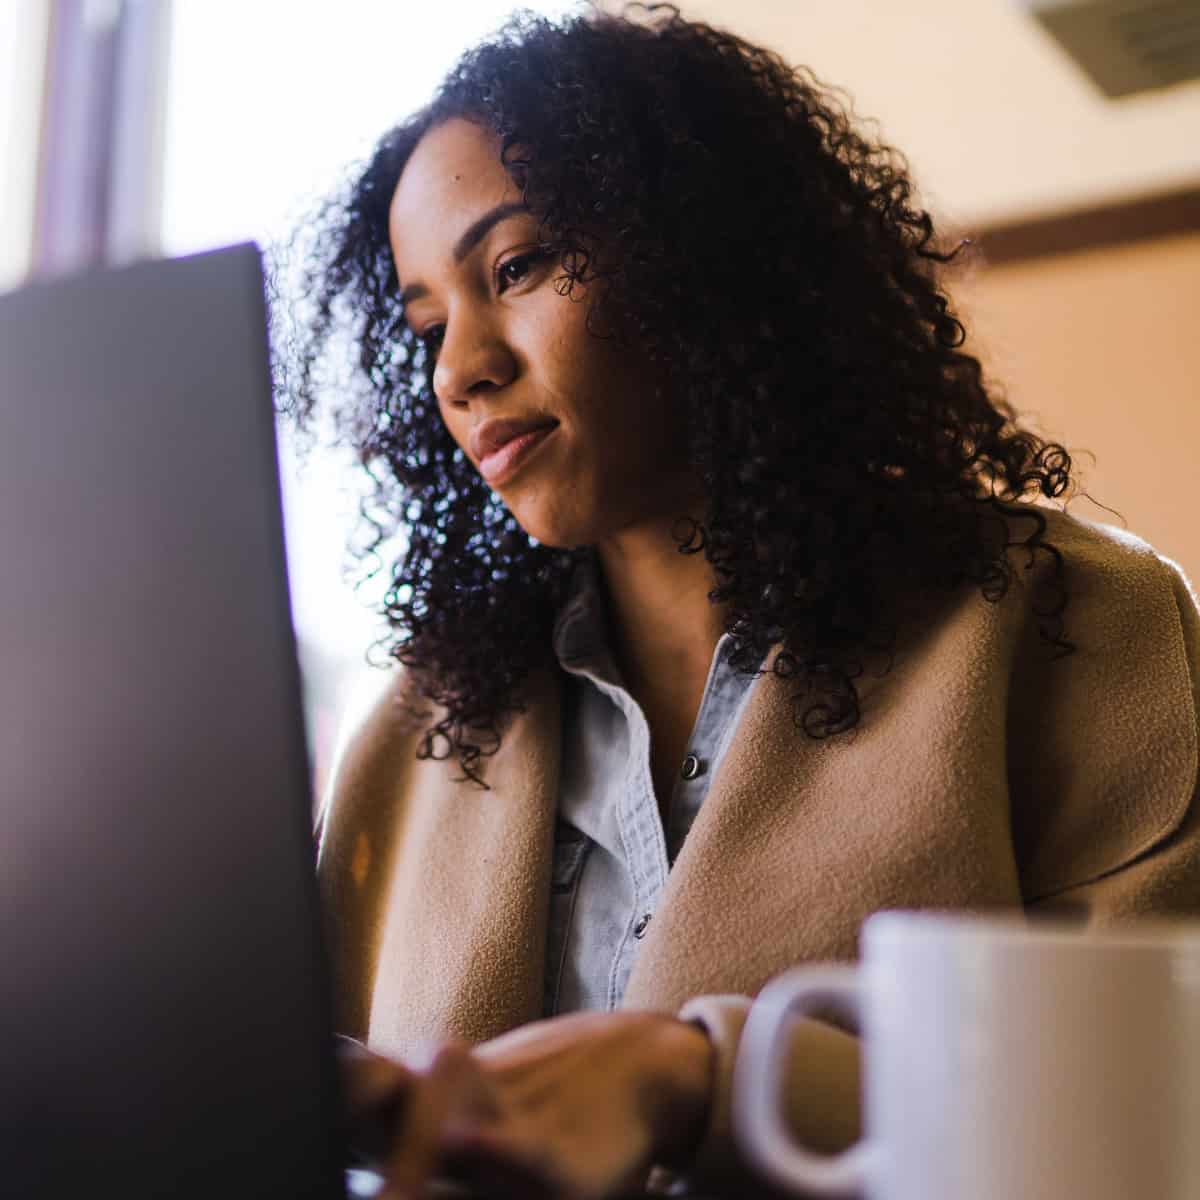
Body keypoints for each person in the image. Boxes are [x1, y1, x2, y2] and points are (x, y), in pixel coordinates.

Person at [279, 5, 1200, 1197]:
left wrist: (715, 1079)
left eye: (515, 268)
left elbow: (1161, 1116)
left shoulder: (1077, 628)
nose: (463, 369)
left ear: (702, 255)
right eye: (429, 324)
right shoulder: (412, 738)